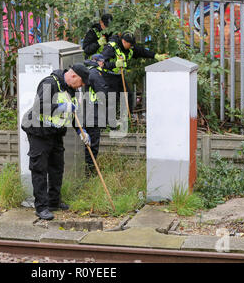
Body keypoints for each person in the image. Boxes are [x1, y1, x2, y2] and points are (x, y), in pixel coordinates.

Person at [21, 64, 91, 220]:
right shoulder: (49, 83)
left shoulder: (72, 89)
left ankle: (54, 201)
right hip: (39, 131)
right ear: (74, 76)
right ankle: (41, 207)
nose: (81, 86)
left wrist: (81, 131)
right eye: (81, 82)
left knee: (57, 167)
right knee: (39, 169)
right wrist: (62, 106)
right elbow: (40, 107)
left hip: (56, 132)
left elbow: (73, 114)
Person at [101, 31, 167, 117]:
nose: (132, 46)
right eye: (130, 44)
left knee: (128, 95)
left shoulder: (130, 48)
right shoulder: (111, 47)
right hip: (108, 76)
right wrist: (115, 64)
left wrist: (156, 56)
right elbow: (102, 63)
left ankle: (128, 116)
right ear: (124, 41)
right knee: (113, 98)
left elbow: (143, 52)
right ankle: (109, 121)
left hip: (118, 75)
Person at [82, 54, 108, 177]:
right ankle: (90, 172)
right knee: (92, 144)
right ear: (99, 62)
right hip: (93, 114)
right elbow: (102, 92)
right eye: (102, 62)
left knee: (87, 143)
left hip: (86, 113)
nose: (103, 65)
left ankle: (88, 170)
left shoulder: (86, 71)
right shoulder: (95, 74)